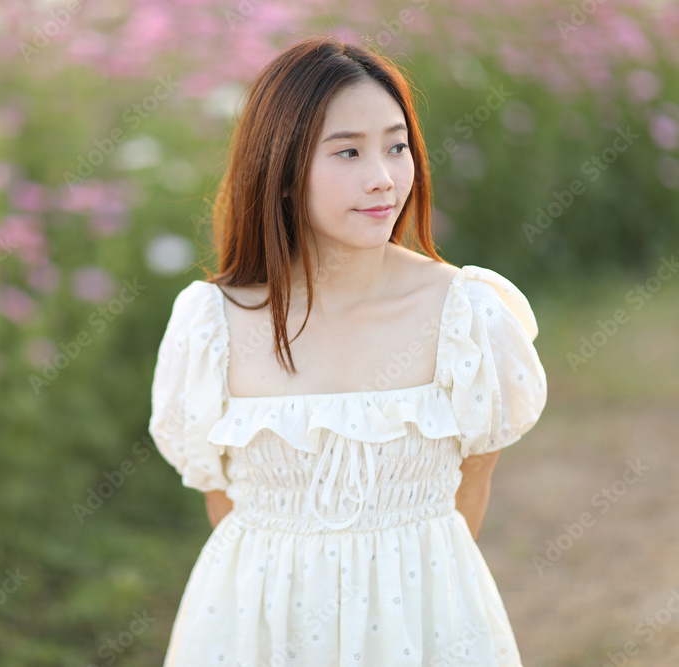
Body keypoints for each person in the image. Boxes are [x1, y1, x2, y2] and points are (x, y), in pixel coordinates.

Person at [148, 35, 548, 665]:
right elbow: (222, 500)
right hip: (255, 627)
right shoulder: (213, 322)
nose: (383, 178)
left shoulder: (464, 313)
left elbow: (470, 489)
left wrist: (395, 599)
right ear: (280, 170)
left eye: (396, 146)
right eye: (348, 152)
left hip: (424, 621)